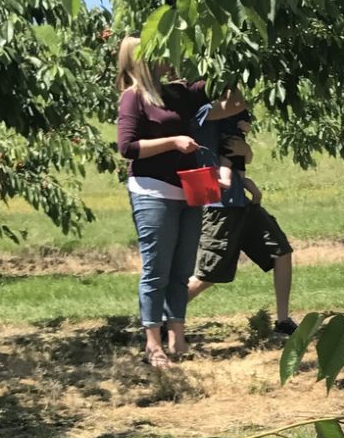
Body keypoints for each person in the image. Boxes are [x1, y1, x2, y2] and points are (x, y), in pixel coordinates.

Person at [116, 37, 245, 368]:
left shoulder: (178, 93)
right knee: (156, 269)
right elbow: (127, 147)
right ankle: (152, 343)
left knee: (182, 269)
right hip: (152, 190)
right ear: (141, 59)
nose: (166, 57)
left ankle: (178, 339)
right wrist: (172, 141)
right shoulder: (134, 98)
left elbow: (231, 101)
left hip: (188, 190)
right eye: (158, 53)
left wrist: (231, 56)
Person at [186, 111, 297, 338]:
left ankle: (283, 321)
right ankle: (164, 318)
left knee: (281, 251)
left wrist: (246, 150)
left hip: (243, 203)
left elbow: (244, 154)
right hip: (219, 207)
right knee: (209, 274)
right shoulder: (201, 116)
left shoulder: (228, 124)